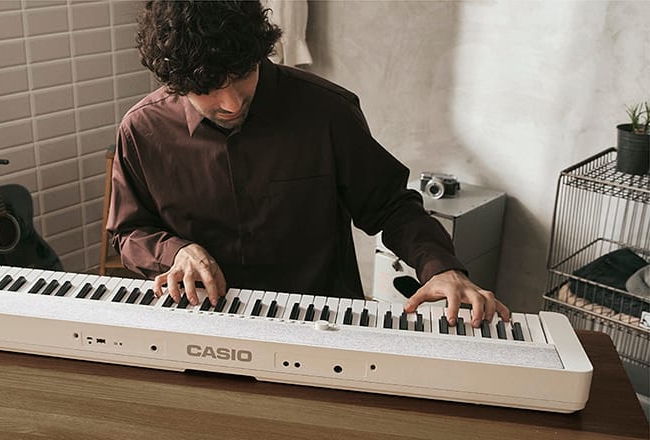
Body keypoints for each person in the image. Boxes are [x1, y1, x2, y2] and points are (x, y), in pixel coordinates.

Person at [106, 0, 510, 328]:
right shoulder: (143, 131)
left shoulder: (328, 112)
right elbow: (129, 231)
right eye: (208, 90)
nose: (231, 103)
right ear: (174, 84)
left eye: (242, 74)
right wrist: (176, 251)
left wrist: (439, 267)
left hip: (321, 321)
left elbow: (391, 205)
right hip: (200, 322)